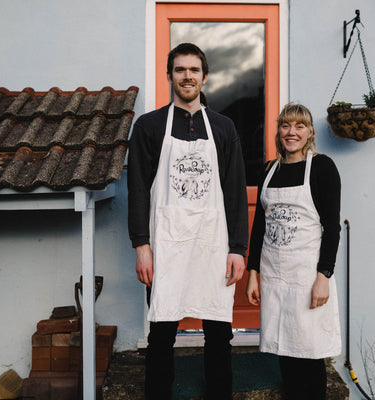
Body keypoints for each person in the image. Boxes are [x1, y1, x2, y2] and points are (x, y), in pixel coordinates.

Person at [127, 43, 249, 400]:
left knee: (218, 331)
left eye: (194, 70)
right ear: (169, 76)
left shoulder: (224, 128)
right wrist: (141, 245)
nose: (187, 76)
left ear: (204, 76)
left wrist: (238, 248)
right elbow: (137, 189)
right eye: (180, 70)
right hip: (166, 244)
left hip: (213, 243)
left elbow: (236, 192)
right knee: (162, 331)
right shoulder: (149, 126)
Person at [245, 103, 342, 400]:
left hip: (306, 277)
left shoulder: (322, 167)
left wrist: (323, 276)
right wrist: (253, 274)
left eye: (300, 126)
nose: (292, 132)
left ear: (310, 132)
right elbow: (259, 226)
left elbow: (332, 228)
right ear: (279, 131)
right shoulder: (269, 170)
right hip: (275, 275)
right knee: (284, 350)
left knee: (309, 353)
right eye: (286, 125)